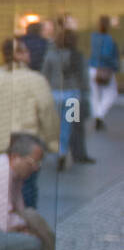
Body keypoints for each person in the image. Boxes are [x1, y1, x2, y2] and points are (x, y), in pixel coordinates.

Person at [0, 36, 59, 209]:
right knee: (26, 186)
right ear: (18, 55)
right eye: (25, 51)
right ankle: (25, 219)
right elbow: (47, 110)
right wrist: (52, 140)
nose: (29, 54)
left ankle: (0, 217)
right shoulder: (35, 80)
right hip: (25, 141)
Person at [41, 26, 94, 169]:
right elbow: (84, 77)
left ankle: (56, 151)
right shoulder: (78, 56)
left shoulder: (51, 55)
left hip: (55, 95)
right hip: (73, 96)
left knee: (55, 126)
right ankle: (63, 152)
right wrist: (86, 93)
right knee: (69, 126)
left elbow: (45, 75)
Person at [89, 15, 119, 130]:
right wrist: (115, 66)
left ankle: (98, 116)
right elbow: (107, 55)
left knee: (95, 95)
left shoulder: (94, 37)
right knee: (111, 93)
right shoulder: (109, 40)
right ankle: (99, 115)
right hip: (104, 69)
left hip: (92, 67)